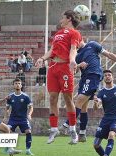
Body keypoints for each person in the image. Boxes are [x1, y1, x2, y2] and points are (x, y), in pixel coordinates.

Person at [62, 40, 116, 142]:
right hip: (84, 78)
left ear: (80, 39)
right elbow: (74, 71)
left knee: (78, 100)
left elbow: (108, 54)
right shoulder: (76, 55)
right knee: (83, 107)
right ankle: (82, 133)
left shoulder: (92, 45)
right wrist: (79, 65)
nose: (74, 44)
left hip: (93, 75)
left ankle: (67, 123)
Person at [35, 10, 81, 145]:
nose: (60, 20)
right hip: (53, 68)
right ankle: (54, 129)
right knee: (53, 98)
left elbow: (73, 49)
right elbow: (52, 50)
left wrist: (72, 60)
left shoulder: (75, 33)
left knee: (68, 98)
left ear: (69, 19)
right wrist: (42, 58)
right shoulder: (58, 34)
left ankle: (72, 129)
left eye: (63, 17)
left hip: (65, 68)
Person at [3, 78, 34, 156]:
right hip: (13, 119)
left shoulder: (26, 96)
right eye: (16, 83)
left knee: (28, 132)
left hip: (23, 119)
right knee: (7, 130)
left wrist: (29, 114)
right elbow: (7, 108)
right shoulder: (10, 97)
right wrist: (5, 117)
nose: (17, 85)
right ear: (13, 85)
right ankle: (9, 148)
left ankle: (28, 150)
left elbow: (31, 107)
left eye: (19, 83)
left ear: (21, 85)